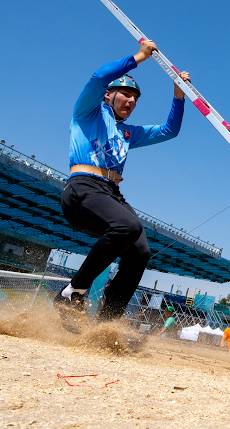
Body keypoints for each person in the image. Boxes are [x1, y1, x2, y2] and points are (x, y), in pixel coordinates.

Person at [53, 40, 191, 325]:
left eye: (136, 98)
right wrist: (139, 57)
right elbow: (98, 77)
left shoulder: (128, 133)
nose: (132, 101)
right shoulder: (87, 112)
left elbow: (169, 131)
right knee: (128, 227)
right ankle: (73, 291)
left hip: (110, 192)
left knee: (140, 251)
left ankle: (107, 322)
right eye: (126, 94)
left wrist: (179, 93)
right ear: (108, 95)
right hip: (82, 188)